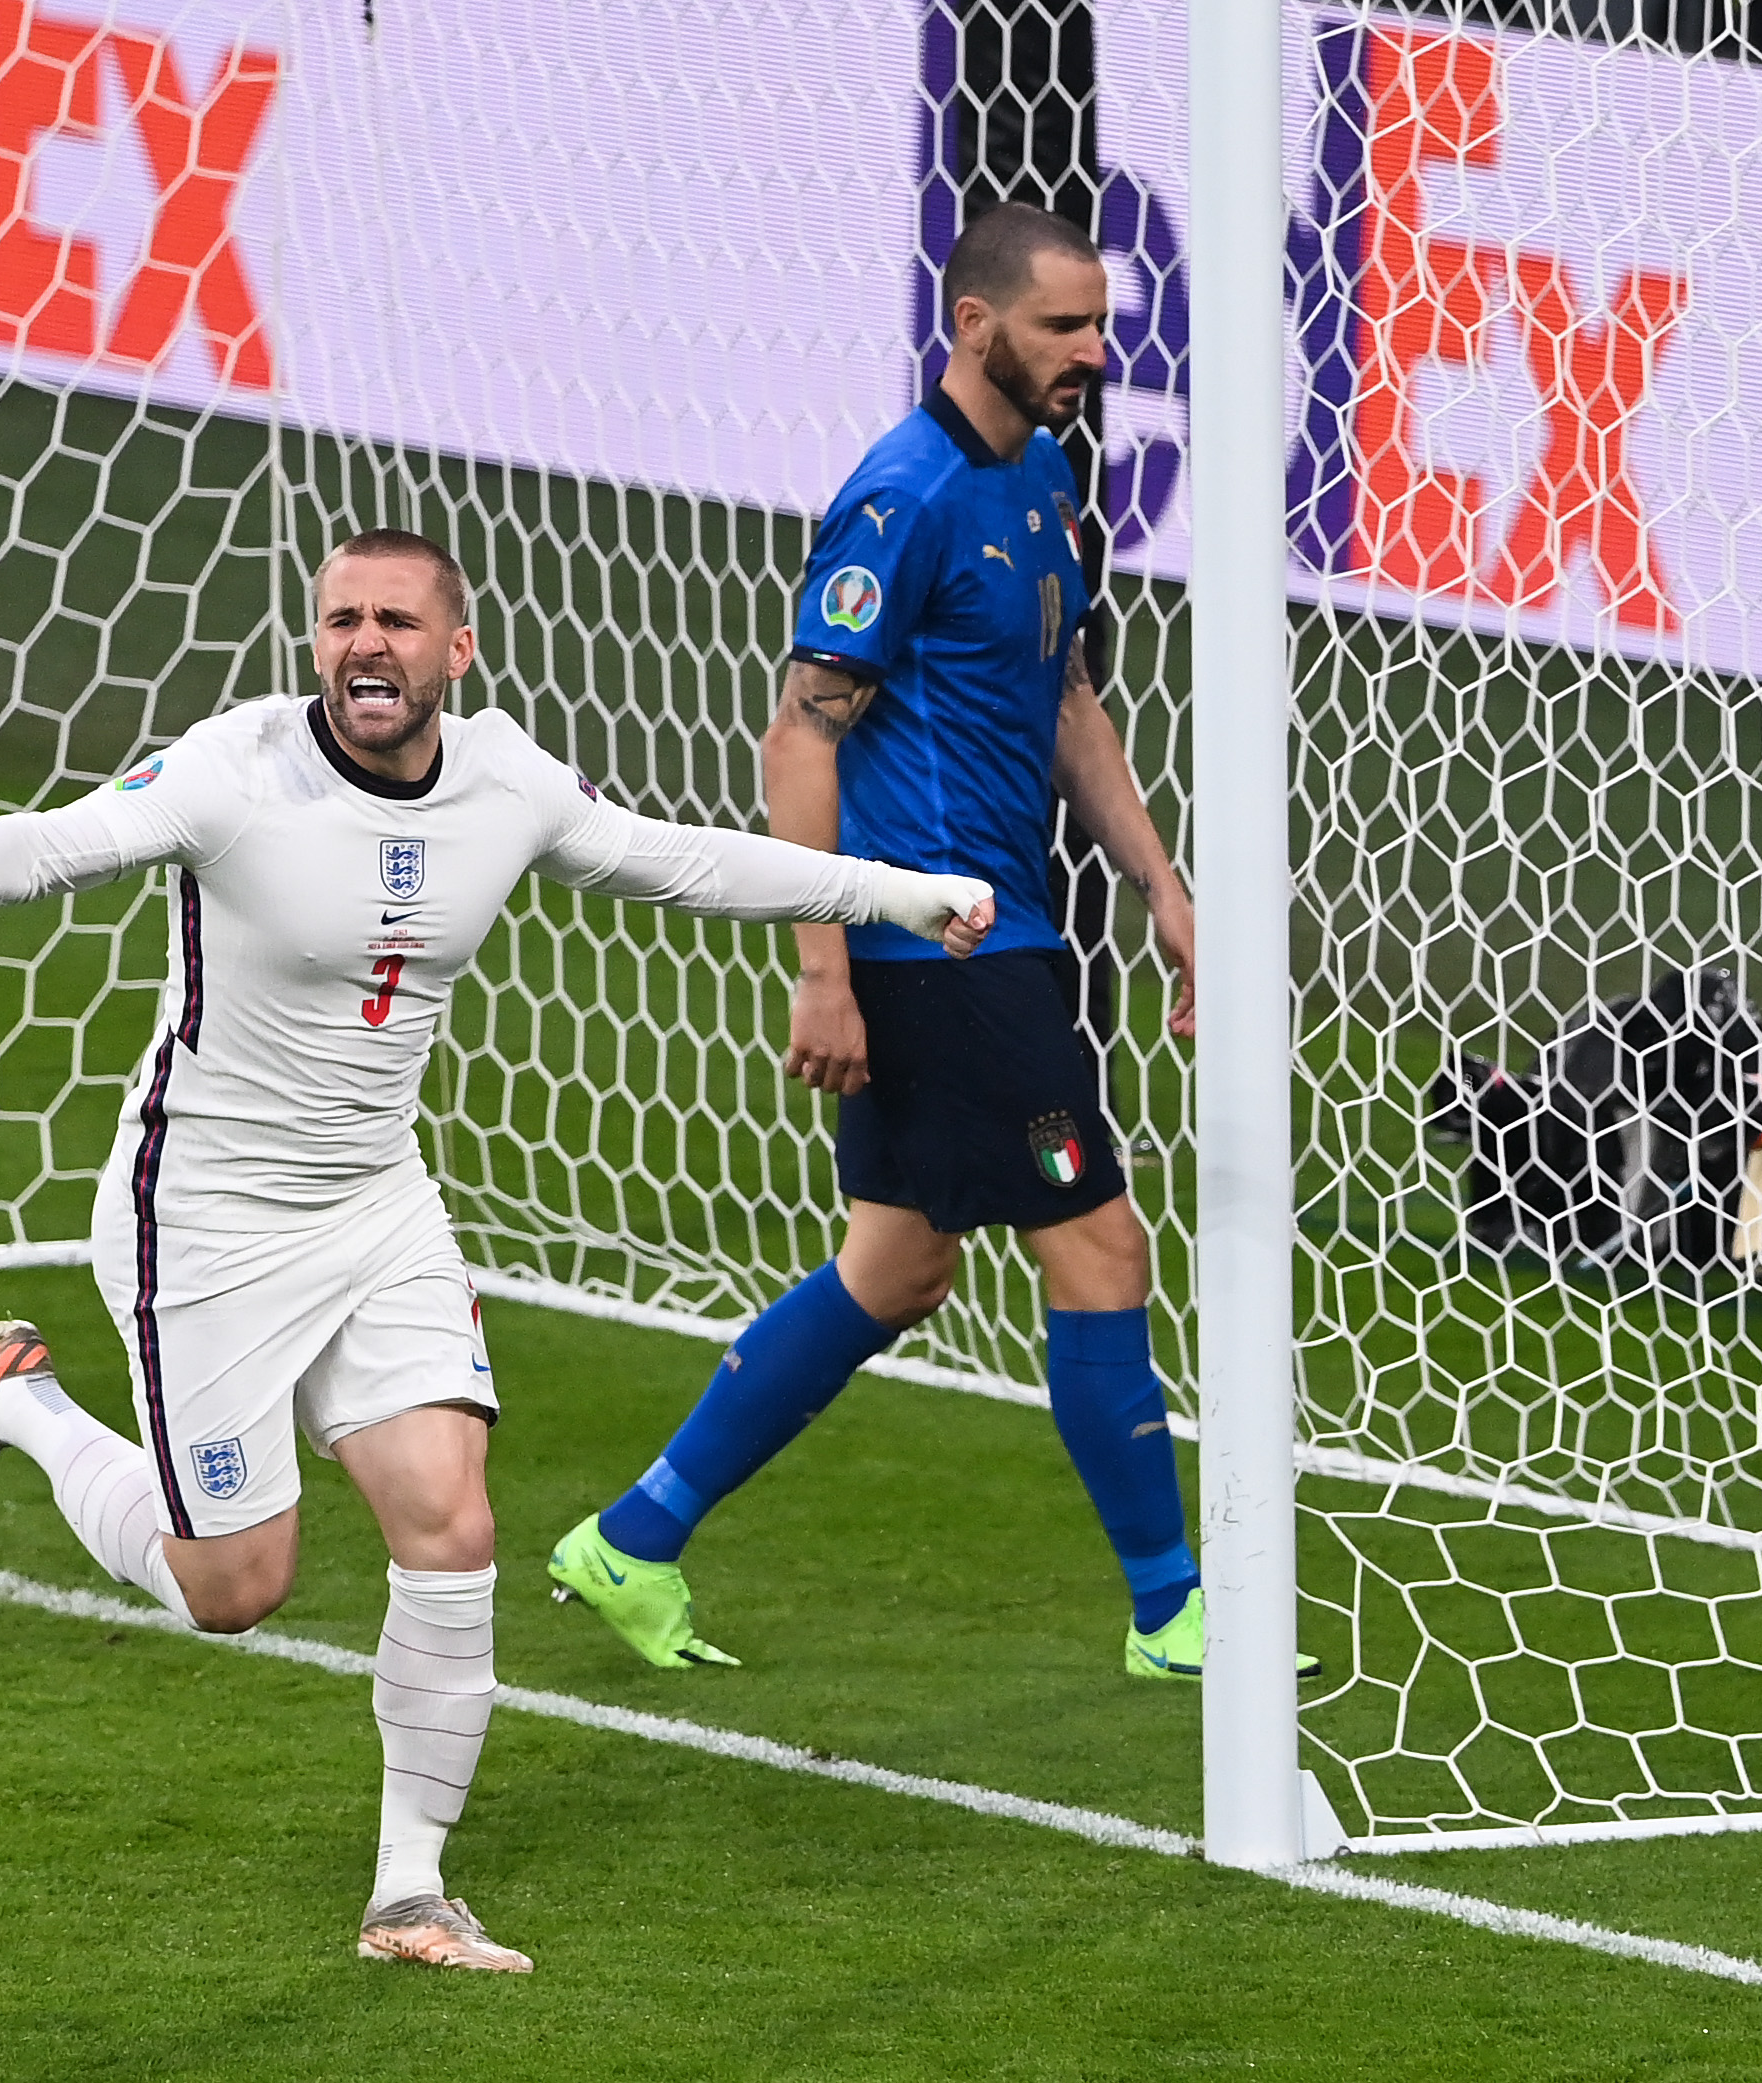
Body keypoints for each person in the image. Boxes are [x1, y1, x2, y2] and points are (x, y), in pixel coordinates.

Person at [0, 530, 992, 1975]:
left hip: (375, 1206)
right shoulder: (230, 771)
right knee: (236, 1590)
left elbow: (673, 863)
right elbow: (49, 844)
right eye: (342, 618)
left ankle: (408, 1893)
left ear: (453, 652)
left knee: (449, 1521)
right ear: (315, 643)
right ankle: (19, 1401)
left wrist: (891, 890)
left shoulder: (508, 782)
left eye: (398, 621)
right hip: (207, 1220)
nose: (367, 643)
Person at [550, 203, 1319, 1685]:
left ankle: (635, 1537)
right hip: (934, 944)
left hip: (1013, 931)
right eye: (1059, 327)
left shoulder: (1042, 480)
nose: (1092, 353)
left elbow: (1070, 702)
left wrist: (1164, 889)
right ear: (975, 326)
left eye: (1097, 326)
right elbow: (799, 731)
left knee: (897, 1267)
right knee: (1096, 1242)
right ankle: (1173, 1612)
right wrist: (823, 958)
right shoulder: (896, 500)